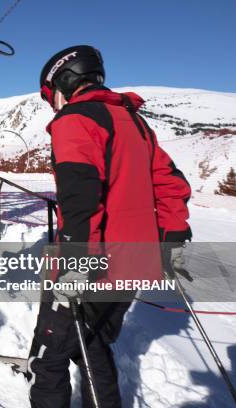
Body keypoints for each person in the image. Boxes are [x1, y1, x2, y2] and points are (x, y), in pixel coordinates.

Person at [28, 45, 192, 407]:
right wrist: (171, 239)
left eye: (50, 95)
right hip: (136, 263)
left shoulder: (74, 121)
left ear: (64, 82)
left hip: (92, 265)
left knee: (48, 357)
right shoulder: (131, 120)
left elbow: (82, 206)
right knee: (91, 344)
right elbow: (171, 185)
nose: (53, 104)